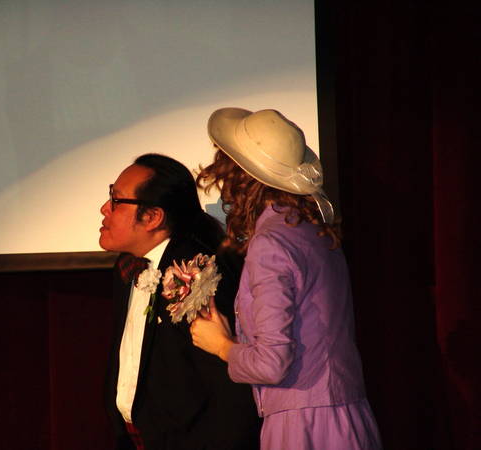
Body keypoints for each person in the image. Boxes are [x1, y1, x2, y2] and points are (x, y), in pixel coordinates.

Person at [190, 108, 383, 449]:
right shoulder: (313, 230)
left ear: (239, 177)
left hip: (305, 425)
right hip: (345, 415)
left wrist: (221, 345)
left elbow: (271, 364)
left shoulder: (272, 243)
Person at [99, 153, 260, 450]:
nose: (105, 209)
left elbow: (227, 388)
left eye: (116, 200)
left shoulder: (195, 272)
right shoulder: (128, 268)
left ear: (153, 217)